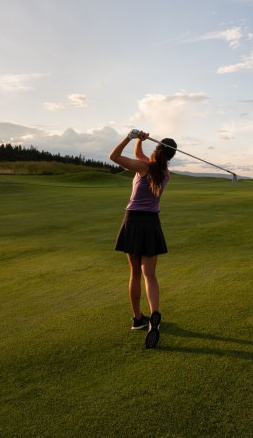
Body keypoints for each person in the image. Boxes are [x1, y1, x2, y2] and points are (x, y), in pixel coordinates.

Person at [109, 129, 176, 349]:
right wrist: (140, 140)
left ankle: (138, 319)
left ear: (157, 151)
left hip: (134, 221)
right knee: (150, 274)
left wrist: (129, 137)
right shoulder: (164, 173)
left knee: (135, 273)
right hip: (152, 223)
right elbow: (140, 155)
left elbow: (114, 157)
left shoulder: (144, 168)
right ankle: (155, 313)